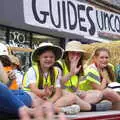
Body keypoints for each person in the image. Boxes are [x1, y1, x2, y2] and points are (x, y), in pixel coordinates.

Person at [54, 41, 112, 114]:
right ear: (67, 54)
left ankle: (75, 106)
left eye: (78, 53)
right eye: (72, 53)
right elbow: (57, 85)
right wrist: (71, 73)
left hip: (73, 96)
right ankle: (93, 107)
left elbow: (76, 88)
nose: (75, 55)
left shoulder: (80, 67)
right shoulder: (59, 64)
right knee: (71, 96)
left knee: (98, 94)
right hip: (59, 94)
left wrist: (80, 92)